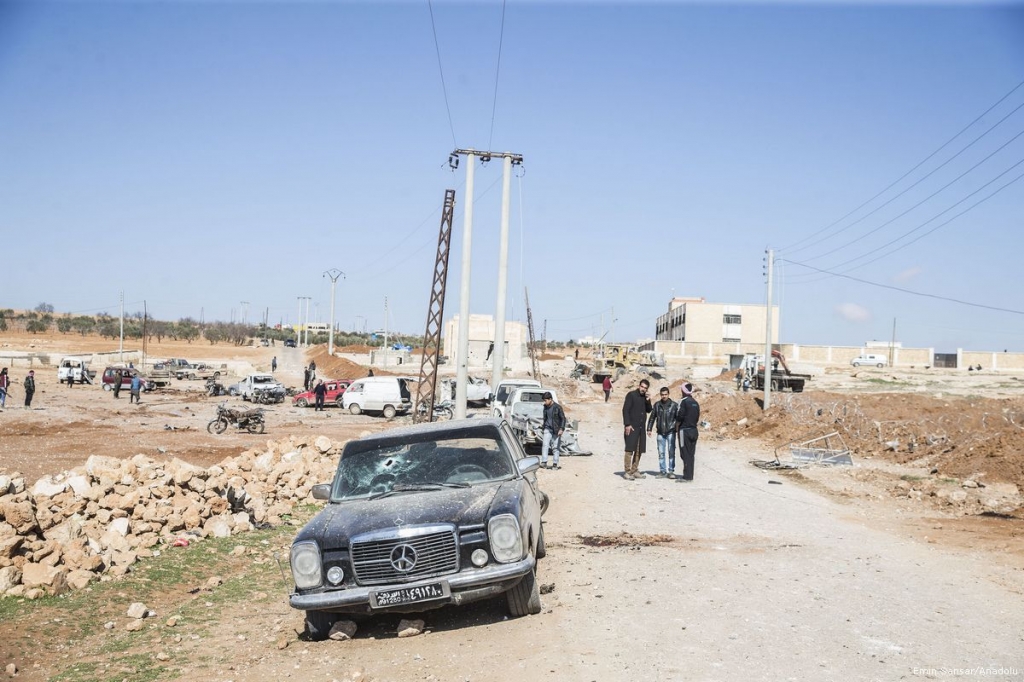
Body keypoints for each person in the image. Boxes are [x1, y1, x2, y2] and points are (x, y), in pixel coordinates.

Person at [621, 379, 652, 480]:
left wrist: (648, 400)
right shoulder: (631, 395)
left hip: (641, 428)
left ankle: (634, 470)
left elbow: (649, 410)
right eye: (642, 387)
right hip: (632, 427)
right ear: (639, 386)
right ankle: (627, 471)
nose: (643, 389)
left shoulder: (645, 398)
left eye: (645, 388)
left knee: (639, 450)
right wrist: (627, 424)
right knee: (629, 449)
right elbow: (625, 409)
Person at [646, 386, 679, 478]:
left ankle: (671, 471)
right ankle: (662, 471)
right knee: (661, 453)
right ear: (660, 395)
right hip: (660, 432)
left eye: (665, 394)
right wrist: (649, 429)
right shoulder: (657, 405)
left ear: (668, 394)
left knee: (671, 452)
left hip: (671, 432)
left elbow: (678, 419)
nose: (664, 396)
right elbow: (652, 417)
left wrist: (677, 429)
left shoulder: (674, 405)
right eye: (662, 395)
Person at [675, 382, 701, 483]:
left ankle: (687, 476)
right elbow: (697, 417)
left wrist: (677, 425)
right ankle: (690, 475)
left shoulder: (683, 401)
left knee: (684, 453)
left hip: (684, 431)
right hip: (694, 431)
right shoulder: (695, 402)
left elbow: (680, 415)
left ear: (683, 390)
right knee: (691, 454)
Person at [540, 391, 567, 470]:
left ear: (550, 399)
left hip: (556, 430)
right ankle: (544, 462)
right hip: (547, 428)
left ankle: (555, 464)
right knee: (545, 445)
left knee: (555, 447)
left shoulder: (558, 407)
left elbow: (563, 419)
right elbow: (545, 418)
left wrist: (561, 428)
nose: (544, 402)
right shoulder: (545, 407)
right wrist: (544, 426)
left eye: (545, 400)